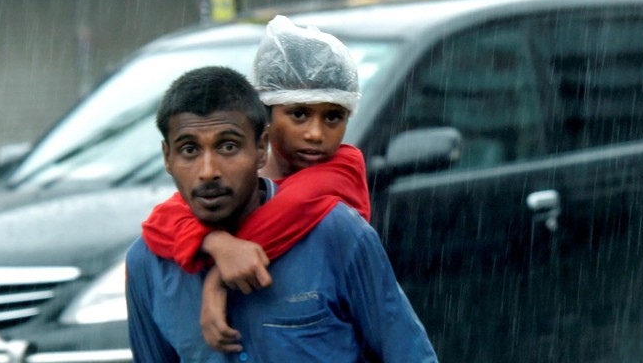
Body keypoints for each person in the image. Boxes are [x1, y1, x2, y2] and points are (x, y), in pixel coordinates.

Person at [125, 65, 436, 362]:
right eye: (190, 150)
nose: (208, 172)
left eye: (228, 147)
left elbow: (409, 354)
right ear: (167, 157)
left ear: (261, 149)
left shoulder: (337, 233)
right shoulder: (146, 263)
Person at [140, 16, 374, 351]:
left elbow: (289, 209)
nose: (315, 133)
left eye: (333, 116)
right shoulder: (239, 178)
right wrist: (217, 244)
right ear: (264, 115)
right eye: (299, 114)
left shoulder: (342, 169)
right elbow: (159, 222)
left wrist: (218, 279)